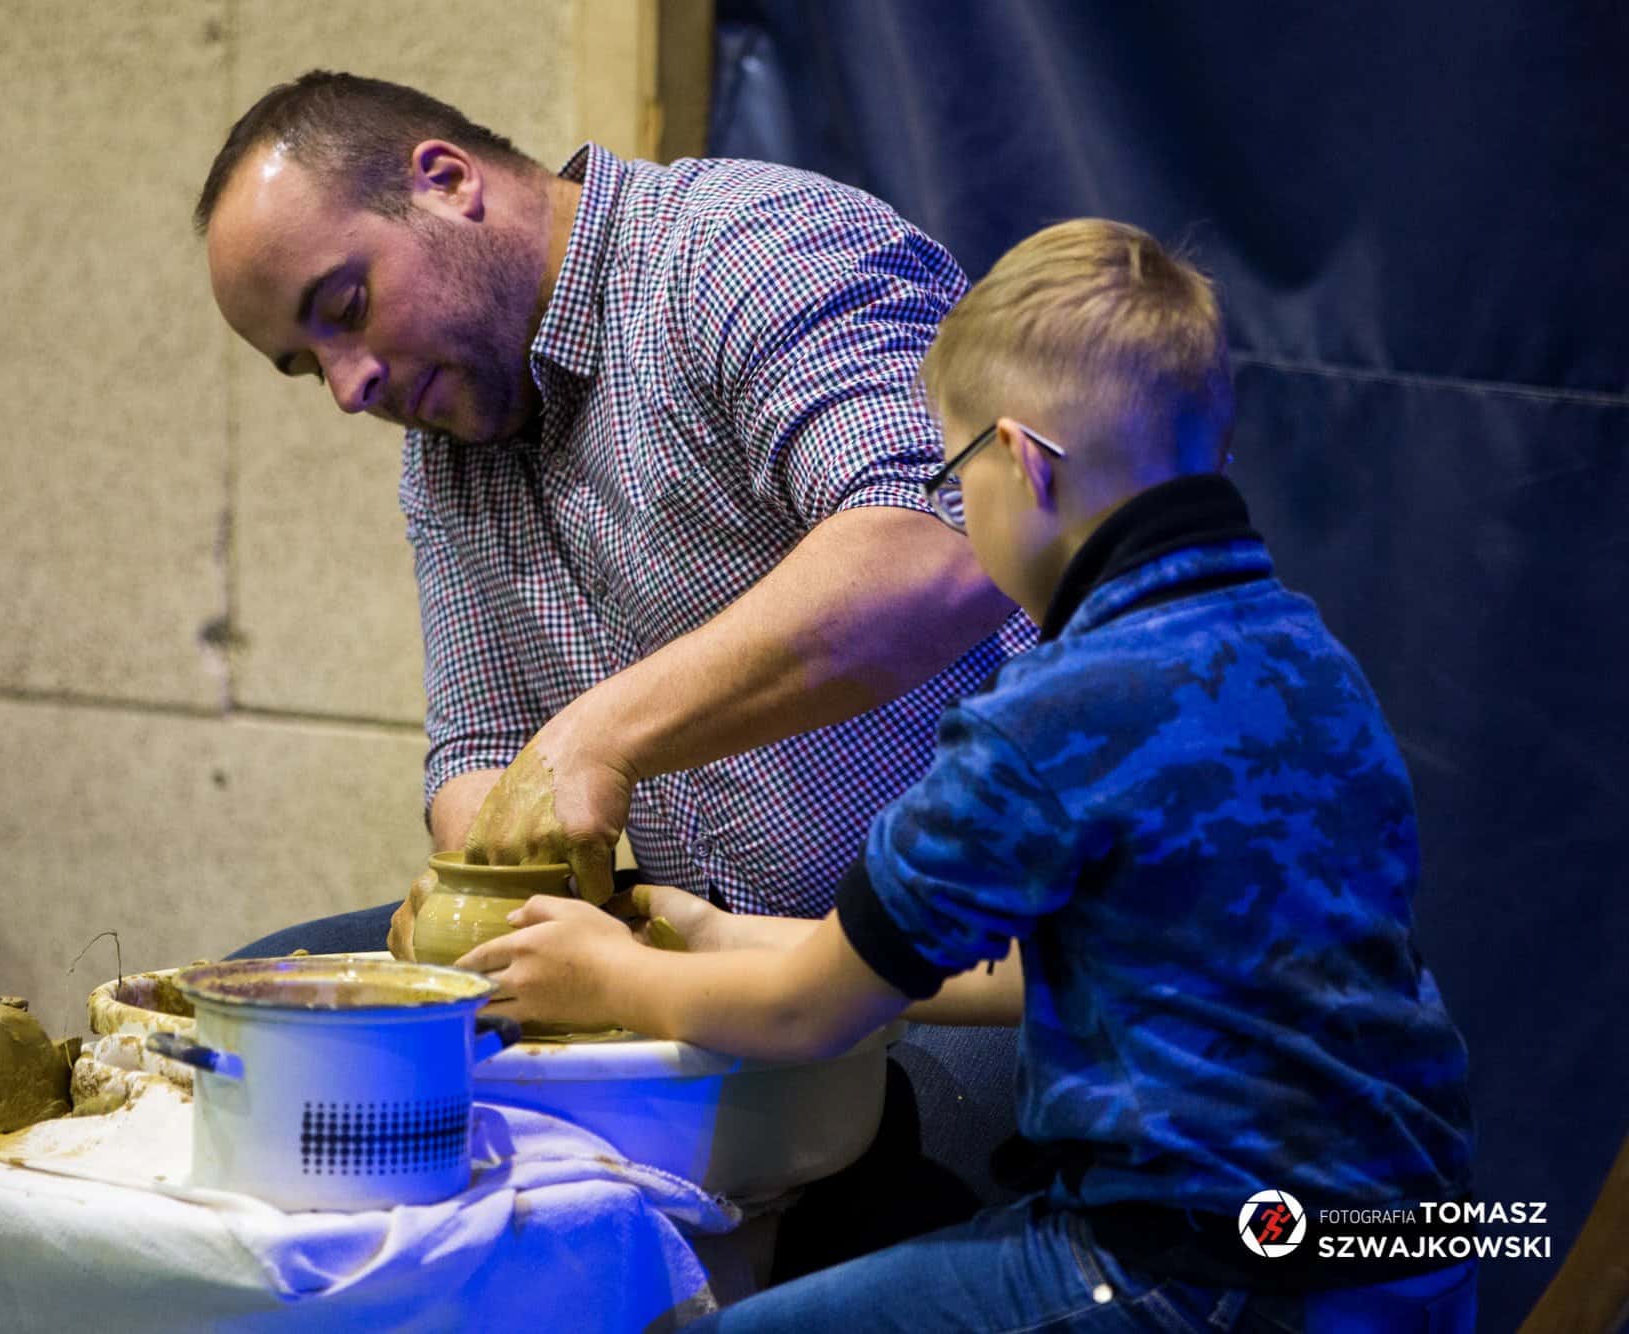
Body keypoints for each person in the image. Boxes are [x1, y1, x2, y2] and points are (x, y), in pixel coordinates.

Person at [460, 219, 1478, 1330]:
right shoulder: (1304, 656)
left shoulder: (1053, 714)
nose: (957, 517)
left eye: (954, 481)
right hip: (1411, 1251)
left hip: (1204, 1269)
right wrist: (720, 935)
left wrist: (606, 977)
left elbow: (805, 1017)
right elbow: (1059, 962)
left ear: (1021, 463)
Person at [193, 71, 1034, 957]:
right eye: (308, 367)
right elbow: (482, 743)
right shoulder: (446, 442)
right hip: (717, 940)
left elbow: (944, 542)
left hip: (995, 929)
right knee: (257, 993)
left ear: (447, 180)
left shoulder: (743, 247)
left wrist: (603, 735)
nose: (349, 387)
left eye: (347, 309)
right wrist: (475, 893)